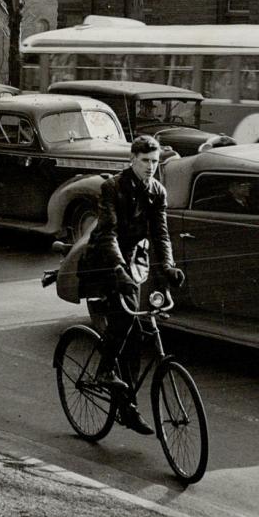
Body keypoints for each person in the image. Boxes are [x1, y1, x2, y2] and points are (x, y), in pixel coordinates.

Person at [80, 134, 184, 435]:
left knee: (139, 335)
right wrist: (118, 269)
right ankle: (103, 372)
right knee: (124, 318)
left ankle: (128, 407)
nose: (151, 167)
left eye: (155, 162)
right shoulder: (112, 187)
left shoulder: (157, 191)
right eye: (145, 161)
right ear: (132, 160)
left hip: (133, 260)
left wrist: (168, 266)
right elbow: (109, 233)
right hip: (105, 258)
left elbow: (160, 235)